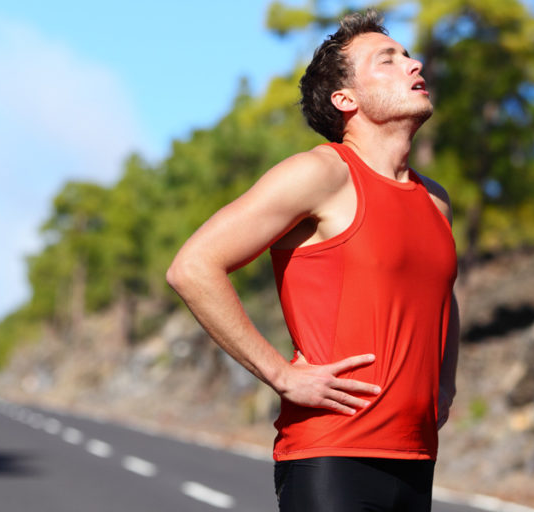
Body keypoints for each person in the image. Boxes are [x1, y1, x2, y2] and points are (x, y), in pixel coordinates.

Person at [165, 9, 460, 512]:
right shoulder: (321, 174)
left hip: (416, 458)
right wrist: (282, 375)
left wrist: (445, 387)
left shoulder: (435, 201)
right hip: (333, 456)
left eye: (409, 57)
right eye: (387, 61)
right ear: (345, 100)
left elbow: (442, 299)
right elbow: (192, 266)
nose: (413, 66)